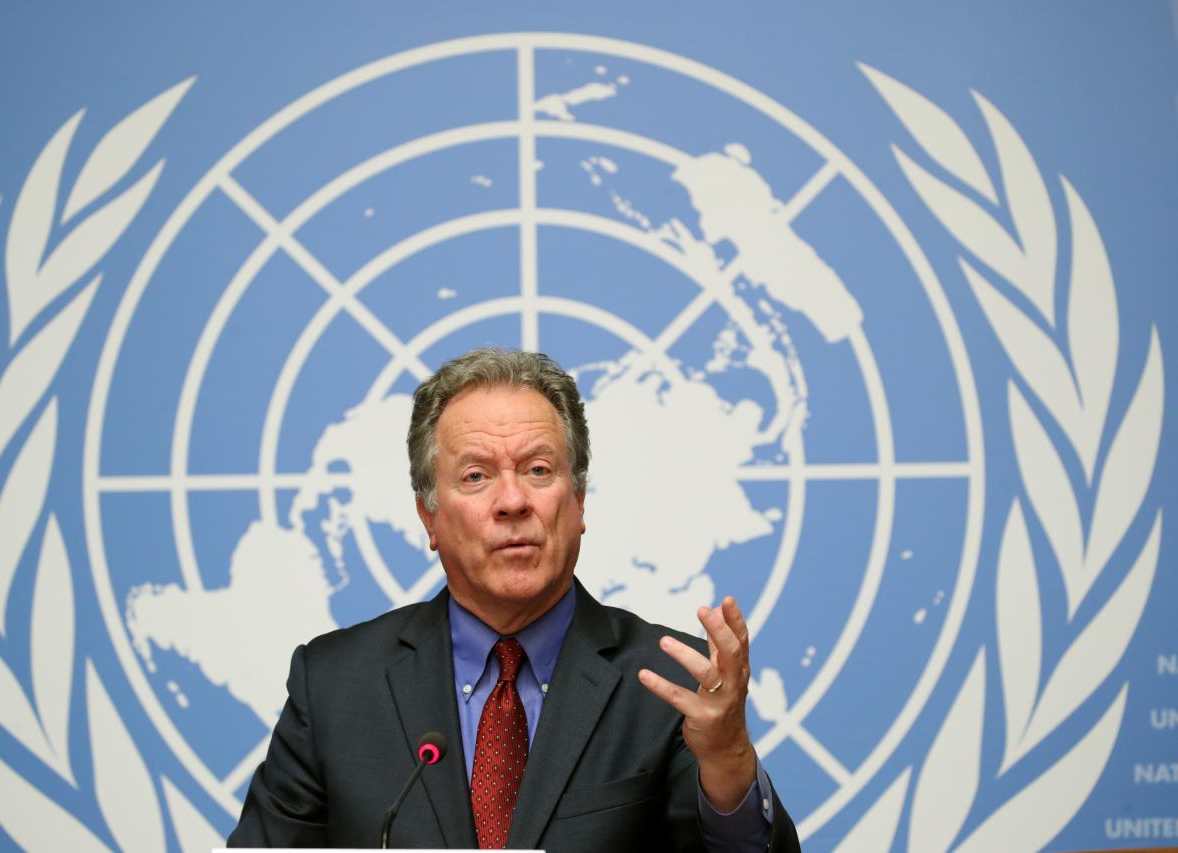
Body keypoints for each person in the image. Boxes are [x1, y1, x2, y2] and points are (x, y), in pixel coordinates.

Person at [228, 348, 800, 851]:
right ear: (429, 516)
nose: (511, 501)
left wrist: (728, 763)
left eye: (539, 470)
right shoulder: (333, 685)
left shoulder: (670, 684)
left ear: (577, 502)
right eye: (476, 476)